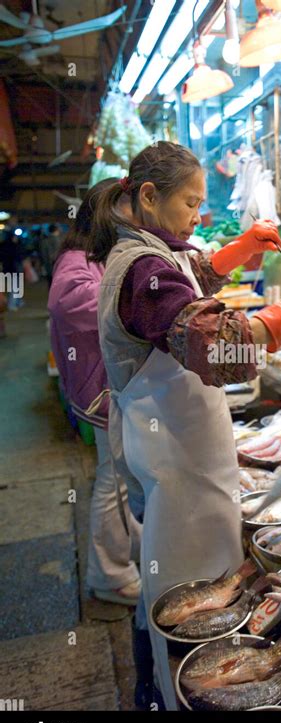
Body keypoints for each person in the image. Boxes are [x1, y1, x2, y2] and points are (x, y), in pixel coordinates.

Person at [86, 142, 281, 710]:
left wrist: (240, 249)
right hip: (177, 472)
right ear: (149, 196)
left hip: (183, 456)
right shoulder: (140, 270)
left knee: (192, 592)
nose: (198, 216)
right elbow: (217, 345)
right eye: (190, 203)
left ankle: (163, 682)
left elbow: (188, 278)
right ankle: (178, 696)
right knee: (188, 603)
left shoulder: (152, 251)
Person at [48, 181, 143, 610]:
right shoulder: (76, 259)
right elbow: (65, 305)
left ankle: (129, 556)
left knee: (123, 477)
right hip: (98, 390)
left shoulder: (99, 256)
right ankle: (109, 576)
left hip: (109, 387)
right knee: (114, 480)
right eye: (125, 210)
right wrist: (130, 295)